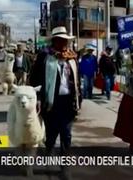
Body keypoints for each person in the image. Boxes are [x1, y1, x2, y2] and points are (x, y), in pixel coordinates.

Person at [30, 26, 80, 159]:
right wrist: (38, 98)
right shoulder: (44, 56)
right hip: (51, 102)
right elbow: (34, 79)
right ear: (55, 41)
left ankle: (65, 165)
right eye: (61, 40)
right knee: (51, 133)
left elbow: (76, 81)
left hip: (68, 102)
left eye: (66, 41)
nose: (65, 43)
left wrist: (79, 101)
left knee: (66, 134)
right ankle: (49, 148)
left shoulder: (72, 58)